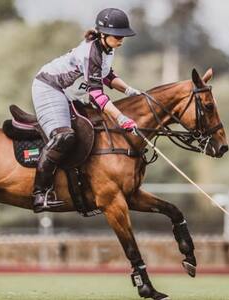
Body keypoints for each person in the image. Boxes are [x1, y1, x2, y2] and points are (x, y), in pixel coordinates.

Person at [31, 8, 141, 213]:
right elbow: (96, 95)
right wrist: (121, 117)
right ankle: (40, 193)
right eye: (118, 35)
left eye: (123, 35)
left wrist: (129, 90)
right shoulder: (91, 52)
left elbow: (106, 76)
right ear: (102, 34)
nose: (121, 39)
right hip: (50, 87)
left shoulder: (108, 48)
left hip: (70, 93)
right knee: (64, 137)